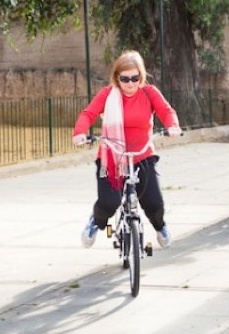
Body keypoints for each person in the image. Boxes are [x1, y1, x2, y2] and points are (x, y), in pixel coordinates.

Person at [72, 50, 181, 249]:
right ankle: (95, 222)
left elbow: (166, 110)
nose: (130, 83)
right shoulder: (107, 95)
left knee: (154, 203)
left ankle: (160, 227)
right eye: (125, 79)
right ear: (116, 78)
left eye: (135, 78)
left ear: (141, 76)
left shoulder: (149, 93)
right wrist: (80, 132)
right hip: (111, 157)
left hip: (142, 155)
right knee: (109, 202)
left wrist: (172, 125)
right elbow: (88, 114)